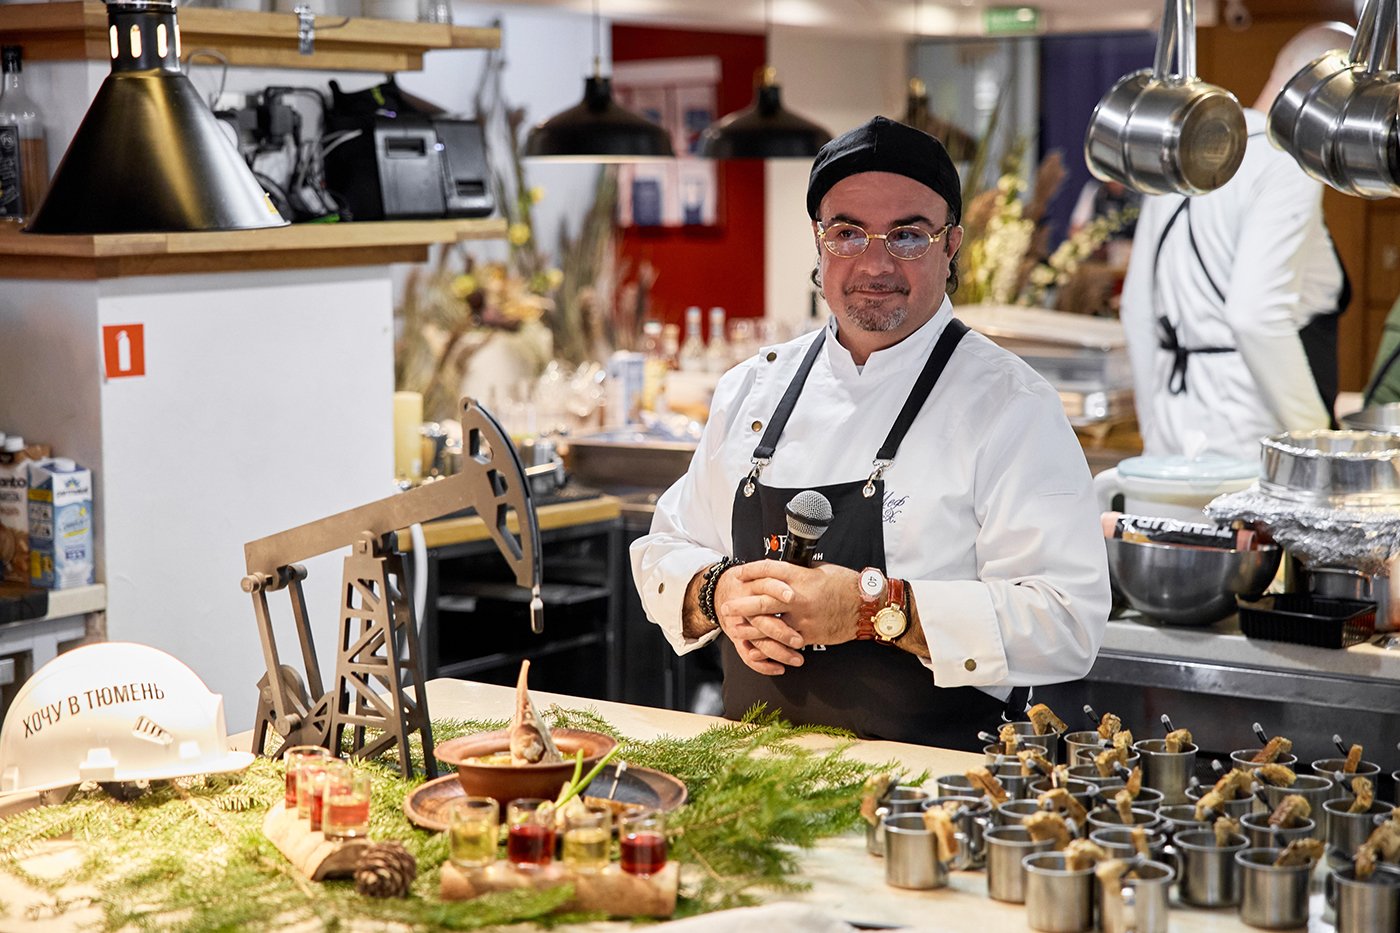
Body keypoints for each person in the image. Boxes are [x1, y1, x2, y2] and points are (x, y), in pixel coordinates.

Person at [629, 116, 1110, 750]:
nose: (875, 263)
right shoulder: (752, 389)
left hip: (931, 784)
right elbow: (664, 546)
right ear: (819, 241)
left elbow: (1067, 621)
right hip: (756, 772)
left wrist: (875, 609)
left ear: (951, 245)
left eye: (907, 235)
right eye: (848, 233)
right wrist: (716, 593)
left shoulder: (1012, 406)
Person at [1118, 23, 1354, 461]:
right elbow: (1255, 316)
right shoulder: (1284, 162)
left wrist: (1154, 431)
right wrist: (1317, 439)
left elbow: (1136, 309)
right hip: (1249, 434)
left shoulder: (1186, 148)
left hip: (1170, 429)